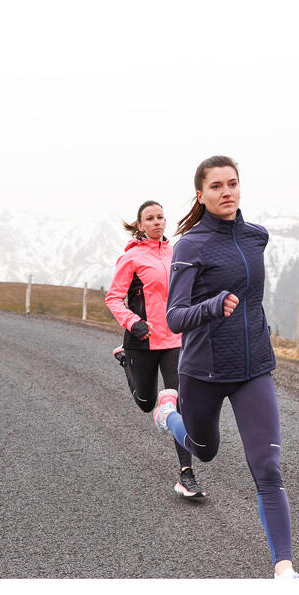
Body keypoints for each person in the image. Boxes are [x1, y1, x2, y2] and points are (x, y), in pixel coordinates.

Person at [151, 156, 298, 578]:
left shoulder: (256, 237)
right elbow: (174, 316)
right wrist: (214, 306)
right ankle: (169, 415)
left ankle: (284, 571)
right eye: (216, 186)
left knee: (268, 469)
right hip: (204, 372)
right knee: (205, 451)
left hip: (254, 369)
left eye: (232, 183)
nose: (226, 191)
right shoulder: (191, 245)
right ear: (201, 194)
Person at [105, 200, 204, 498]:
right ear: (140, 224)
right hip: (142, 342)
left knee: (177, 404)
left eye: (161, 217)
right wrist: (133, 322)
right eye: (150, 218)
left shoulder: (176, 253)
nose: (157, 222)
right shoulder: (132, 258)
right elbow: (113, 298)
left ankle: (186, 474)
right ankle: (125, 361)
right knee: (147, 404)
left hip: (174, 339)